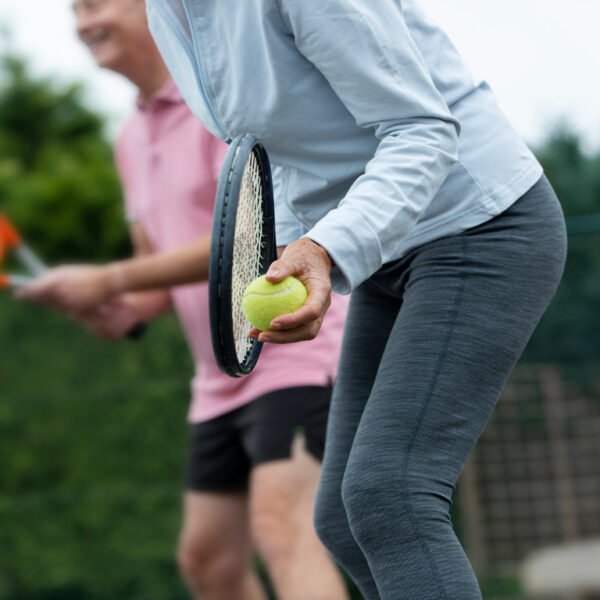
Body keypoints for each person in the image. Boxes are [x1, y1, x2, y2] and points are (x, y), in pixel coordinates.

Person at [137, 1, 568, 599]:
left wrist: (327, 248)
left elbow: (423, 130)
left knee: (388, 493)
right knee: (341, 518)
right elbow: (283, 151)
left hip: (480, 226)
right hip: (390, 255)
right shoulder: (172, 11)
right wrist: (294, 248)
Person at [20, 1, 350, 599]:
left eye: (94, 4)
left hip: (294, 351)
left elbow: (257, 234)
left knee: (286, 531)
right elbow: (156, 274)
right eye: (73, 10)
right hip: (216, 380)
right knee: (208, 560)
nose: (82, 23)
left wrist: (110, 279)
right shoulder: (128, 137)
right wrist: (117, 308)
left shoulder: (221, 102)